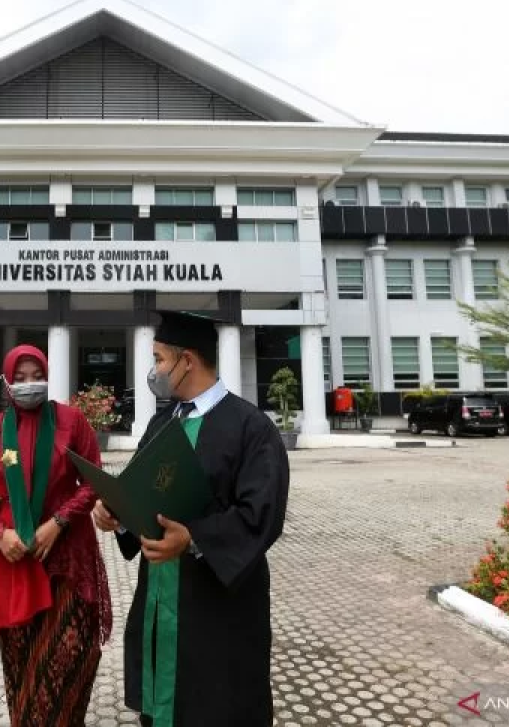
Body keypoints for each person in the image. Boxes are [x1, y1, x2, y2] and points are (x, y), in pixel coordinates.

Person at [93, 311, 290, 727]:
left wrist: (194, 538)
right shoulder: (163, 422)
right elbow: (143, 496)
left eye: (160, 360)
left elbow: (263, 516)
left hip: (218, 607)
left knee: (215, 704)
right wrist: (118, 514)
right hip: (159, 599)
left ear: (187, 361)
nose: (155, 372)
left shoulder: (251, 427)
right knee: (162, 704)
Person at [0, 344, 112, 727]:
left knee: (71, 656)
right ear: (7, 383)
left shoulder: (71, 422)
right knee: (22, 661)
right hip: (16, 561)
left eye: (37, 376)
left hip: (68, 558)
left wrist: (58, 521)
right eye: (21, 378)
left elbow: (93, 480)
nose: (30, 384)